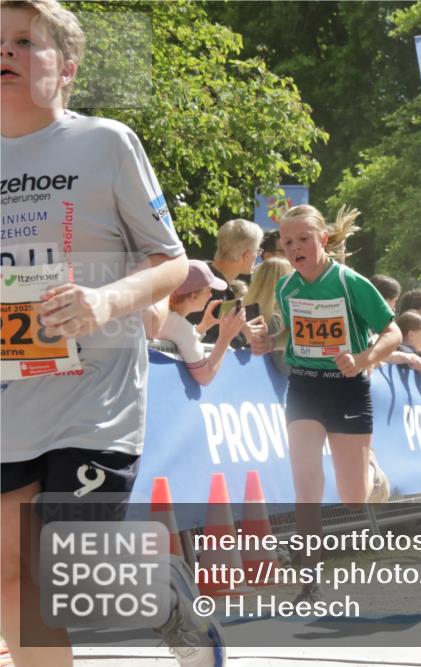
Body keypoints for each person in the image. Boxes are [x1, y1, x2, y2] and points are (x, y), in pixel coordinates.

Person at [0, 2, 225, 665]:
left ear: (68, 69)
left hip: (94, 396)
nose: (6, 52)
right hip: (11, 399)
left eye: (25, 41)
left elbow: (172, 261)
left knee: (72, 567)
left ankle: (166, 596)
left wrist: (104, 301)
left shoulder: (106, 143)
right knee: (10, 578)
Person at [248, 204, 401, 605]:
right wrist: (270, 341)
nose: (295, 248)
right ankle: (310, 582)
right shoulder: (286, 287)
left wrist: (363, 359)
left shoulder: (350, 283)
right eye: (287, 242)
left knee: (353, 498)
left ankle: (372, 471)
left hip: (346, 388)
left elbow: (393, 333)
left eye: (303, 239)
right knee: (306, 487)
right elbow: (291, 333)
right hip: (304, 386)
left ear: (324, 239)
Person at [157, 261, 247, 386]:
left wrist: (203, 326)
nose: (211, 295)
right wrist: (226, 337)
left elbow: (182, 338)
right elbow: (205, 377)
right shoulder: (182, 329)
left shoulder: (159, 310)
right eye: (209, 290)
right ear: (193, 296)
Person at [186, 218, 263, 346]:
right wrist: (242, 335)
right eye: (258, 251)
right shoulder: (207, 286)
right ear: (247, 255)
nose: (258, 256)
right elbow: (204, 339)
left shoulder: (201, 275)